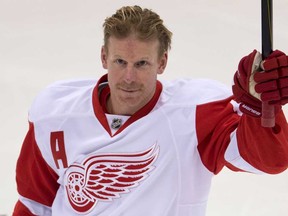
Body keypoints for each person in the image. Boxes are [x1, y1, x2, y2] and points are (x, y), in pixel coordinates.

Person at [13, 5, 288, 216]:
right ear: (103, 57)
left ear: (162, 62)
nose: (129, 77)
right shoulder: (54, 112)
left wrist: (259, 107)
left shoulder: (195, 113)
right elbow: (34, 202)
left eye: (142, 63)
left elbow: (268, 161)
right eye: (120, 61)